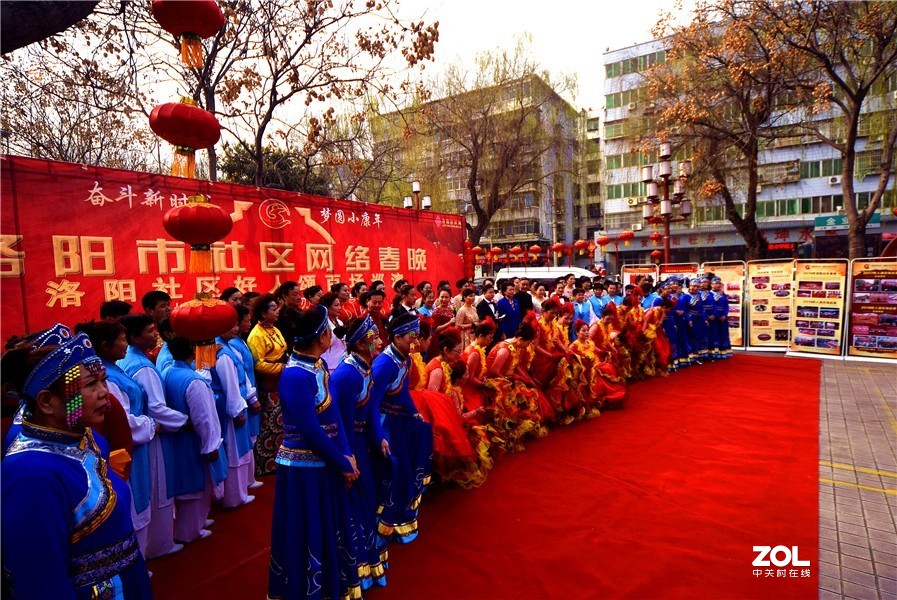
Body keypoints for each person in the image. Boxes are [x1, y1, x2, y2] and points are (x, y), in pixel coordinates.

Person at [1, 328, 153, 598]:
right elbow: (41, 582)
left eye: (103, 380)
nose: (104, 392)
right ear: (46, 402)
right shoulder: (32, 474)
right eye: (91, 384)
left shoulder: (84, 435)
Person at [268, 306, 361, 600]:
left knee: (329, 526)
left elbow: (334, 415)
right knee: (309, 529)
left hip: (328, 460)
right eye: (329, 331)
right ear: (321, 336)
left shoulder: (317, 365)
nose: (332, 335)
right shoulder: (296, 376)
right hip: (304, 469)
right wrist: (342, 463)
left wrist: (347, 454)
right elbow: (311, 431)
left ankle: (332, 586)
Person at [119, 313, 188, 559]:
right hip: (152, 433)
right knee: (158, 489)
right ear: (135, 337)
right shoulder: (144, 367)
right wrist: (184, 421)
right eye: (149, 331)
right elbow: (156, 408)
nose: (154, 335)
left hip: (145, 431)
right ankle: (160, 544)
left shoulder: (128, 360)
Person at [329, 316, 389, 591]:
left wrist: (380, 437)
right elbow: (341, 424)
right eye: (374, 338)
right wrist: (347, 461)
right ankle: (357, 568)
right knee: (355, 505)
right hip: (352, 448)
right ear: (362, 344)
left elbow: (372, 407)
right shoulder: (347, 376)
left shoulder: (366, 367)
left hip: (363, 444)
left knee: (368, 501)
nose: (380, 342)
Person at [89, 320, 157, 556]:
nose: (126, 345)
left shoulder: (113, 369)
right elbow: (123, 419)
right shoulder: (108, 378)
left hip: (134, 442)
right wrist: (150, 424)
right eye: (122, 340)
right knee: (133, 505)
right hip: (125, 448)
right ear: (106, 346)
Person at [369, 313, 433, 544]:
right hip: (383, 422)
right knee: (396, 469)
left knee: (423, 433)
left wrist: (413, 411)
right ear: (397, 338)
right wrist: (379, 436)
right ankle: (384, 523)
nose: (415, 341)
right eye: (411, 336)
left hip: (398, 419)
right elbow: (372, 404)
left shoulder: (405, 358)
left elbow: (404, 391)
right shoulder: (384, 365)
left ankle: (400, 518)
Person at [161, 336, 227, 544]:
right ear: (193, 350)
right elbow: (203, 418)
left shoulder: (168, 371)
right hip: (193, 440)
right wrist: (211, 445)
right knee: (196, 484)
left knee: (185, 482)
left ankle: (195, 523)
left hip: (177, 437)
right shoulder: (194, 381)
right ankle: (189, 531)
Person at [417, 327, 489, 488]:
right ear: (446, 350)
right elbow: (432, 400)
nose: (459, 354)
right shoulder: (437, 370)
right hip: (436, 417)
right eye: (457, 351)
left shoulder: (443, 364)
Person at [210, 320, 256, 508]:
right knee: (234, 451)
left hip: (230, 403)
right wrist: (237, 411)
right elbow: (230, 384)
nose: (236, 329)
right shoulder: (222, 353)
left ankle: (236, 492)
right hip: (230, 407)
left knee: (236, 449)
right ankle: (234, 497)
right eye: (231, 326)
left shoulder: (221, 347)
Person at [247, 293, 287, 476]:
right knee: (270, 425)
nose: (277, 311)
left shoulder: (274, 329)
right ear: (263, 313)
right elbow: (258, 364)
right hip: (268, 384)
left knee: (280, 423)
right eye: (273, 309)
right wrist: (281, 367)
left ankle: (280, 460)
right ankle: (267, 464)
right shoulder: (256, 335)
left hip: (279, 381)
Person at [230, 305, 264, 489]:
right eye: (246, 321)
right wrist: (251, 398)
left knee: (250, 437)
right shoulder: (233, 345)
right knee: (245, 440)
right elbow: (240, 374)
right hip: (244, 396)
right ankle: (244, 484)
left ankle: (249, 479)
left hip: (249, 392)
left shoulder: (240, 341)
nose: (249, 324)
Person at [141, 290, 171, 364]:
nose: (168, 309)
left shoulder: (173, 327)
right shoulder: (143, 331)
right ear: (149, 311)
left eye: (168, 305)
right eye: (163, 306)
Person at [319, 291, 346, 371]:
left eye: (339, 305)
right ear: (327, 307)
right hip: (329, 365)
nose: (339, 308)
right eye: (336, 305)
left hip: (342, 362)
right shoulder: (323, 325)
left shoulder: (340, 323)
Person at [275, 281, 303, 355]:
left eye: (299, 294)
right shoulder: (280, 315)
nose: (299, 297)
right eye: (295, 294)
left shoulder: (301, 312)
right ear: (284, 296)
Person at [708, 277, 732, 359]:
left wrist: (725, 315)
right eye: (716, 283)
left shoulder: (723, 294)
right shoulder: (709, 295)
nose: (718, 285)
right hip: (714, 318)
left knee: (723, 334)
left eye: (719, 283)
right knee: (714, 335)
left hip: (723, 318)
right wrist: (717, 316)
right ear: (712, 285)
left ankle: (723, 352)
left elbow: (726, 306)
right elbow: (711, 307)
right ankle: (714, 353)